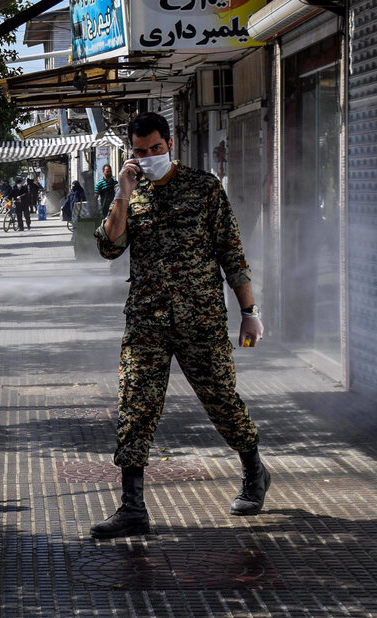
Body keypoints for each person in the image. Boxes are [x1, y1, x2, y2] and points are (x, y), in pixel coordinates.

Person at [90, 112, 267, 539]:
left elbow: (232, 253)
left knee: (221, 400)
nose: (148, 156)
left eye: (155, 148)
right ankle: (132, 508)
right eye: (139, 151)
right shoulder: (132, 193)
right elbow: (108, 248)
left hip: (201, 320)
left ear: (170, 143)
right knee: (135, 408)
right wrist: (122, 195)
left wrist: (249, 311)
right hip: (146, 322)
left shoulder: (204, 187)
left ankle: (254, 472)